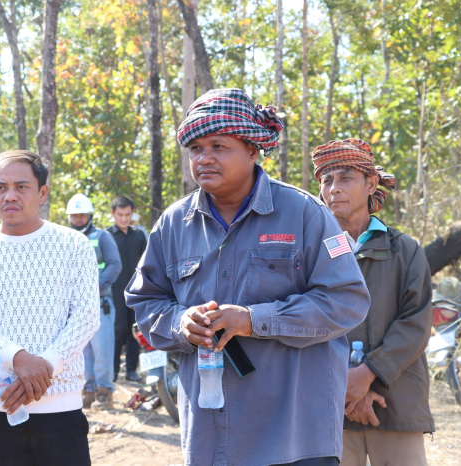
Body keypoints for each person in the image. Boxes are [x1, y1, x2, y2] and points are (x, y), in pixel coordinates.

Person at [125, 88, 371, 466]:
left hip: (295, 437)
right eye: (196, 148)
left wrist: (254, 320)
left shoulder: (305, 213)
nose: (204, 158)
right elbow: (146, 300)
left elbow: (346, 299)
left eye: (219, 146)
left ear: (253, 150)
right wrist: (180, 322)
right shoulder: (173, 224)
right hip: (211, 439)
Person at [0, 150, 100, 466]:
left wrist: (44, 367)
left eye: (21, 187)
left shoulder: (74, 246)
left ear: (42, 193)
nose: (10, 195)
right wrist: (18, 358)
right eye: (1, 187)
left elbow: (86, 317)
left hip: (60, 407)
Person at [313, 139, 434, 466]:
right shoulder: (310, 251)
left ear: (371, 184)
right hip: (330, 403)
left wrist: (367, 375)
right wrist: (346, 384)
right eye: (326, 180)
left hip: (394, 403)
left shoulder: (405, 250)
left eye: (345, 178)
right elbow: (304, 323)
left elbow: (416, 324)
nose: (334, 189)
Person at [66, 193, 122, 408]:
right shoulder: (64, 239)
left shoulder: (102, 237)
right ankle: (88, 389)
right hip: (75, 306)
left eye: (82, 215)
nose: (78, 219)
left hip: (100, 303)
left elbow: (115, 264)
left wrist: (96, 284)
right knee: (82, 350)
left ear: (89, 215)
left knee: (102, 349)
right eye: (74, 215)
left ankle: (105, 392)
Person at [108, 196, 147, 382]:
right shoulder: (107, 236)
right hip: (114, 293)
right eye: (120, 214)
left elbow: (147, 262)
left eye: (127, 214)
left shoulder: (139, 235)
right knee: (117, 331)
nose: (124, 219)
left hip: (137, 292)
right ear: (113, 214)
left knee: (135, 331)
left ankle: (131, 370)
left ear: (133, 214)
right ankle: (113, 371)